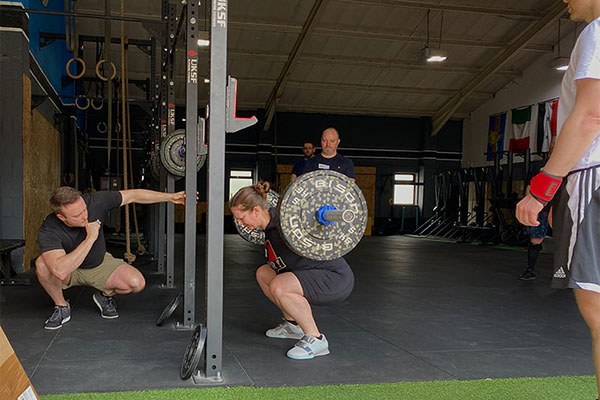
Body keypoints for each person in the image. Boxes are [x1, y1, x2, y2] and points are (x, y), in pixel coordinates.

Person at [516, 0, 600, 395]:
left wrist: (541, 189)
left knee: (599, 314)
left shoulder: (598, 31)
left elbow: (590, 116)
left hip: (592, 178)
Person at [230, 181, 354, 360]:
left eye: (241, 218)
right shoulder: (270, 227)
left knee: (280, 285)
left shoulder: (286, 223)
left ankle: (316, 338)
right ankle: (293, 325)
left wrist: (324, 216)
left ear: (256, 210)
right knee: (264, 273)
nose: (240, 223)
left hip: (334, 278)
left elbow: (311, 222)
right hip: (312, 271)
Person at [36, 186, 186, 330]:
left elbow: (133, 195)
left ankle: (104, 296)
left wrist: (171, 197)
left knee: (136, 283)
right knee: (42, 264)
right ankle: (61, 306)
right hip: (70, 271)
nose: (85, 216)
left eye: (84, 209)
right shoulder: (49, 228)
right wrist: (90, 238)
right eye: (77, 215)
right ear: (61, 217)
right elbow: (60, 271)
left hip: (99, 264)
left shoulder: (95, 201)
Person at [519, 206, 549, 281]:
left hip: (560, 207)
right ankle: (530, 270)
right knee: (535, 240)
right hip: (542, 208)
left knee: (565, 239)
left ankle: (566, 273)